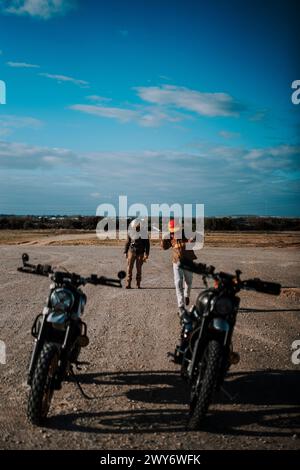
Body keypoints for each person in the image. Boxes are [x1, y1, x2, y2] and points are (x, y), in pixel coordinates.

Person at [161, 219, 196, 316]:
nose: (174, 232)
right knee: (178, 283)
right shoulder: (169, 235)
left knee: (189, 281)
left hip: (188, 261)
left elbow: (195, 237)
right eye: (172, 230)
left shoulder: (186, 232)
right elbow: (164, 247)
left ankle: (187, 295)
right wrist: (164, 239)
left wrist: (192, 239)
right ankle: (181, 307)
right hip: (177, 261)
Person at [124, 218, 150, 289]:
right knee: (129, 268)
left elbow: (147, 244)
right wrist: (125, 252)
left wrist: (147, 254)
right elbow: (127, 242)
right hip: (131, 252)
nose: (136, 227)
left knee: (139, 269)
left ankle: (138, 284)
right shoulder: (130, 231)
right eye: (135, 226)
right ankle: (128, 284)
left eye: (138, 226)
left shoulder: (144, 233)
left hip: (140, 253)